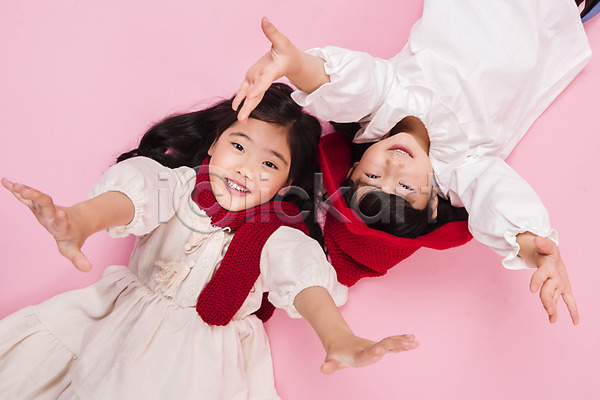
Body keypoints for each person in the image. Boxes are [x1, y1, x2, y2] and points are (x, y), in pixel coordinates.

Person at [0, 83, 418, 400]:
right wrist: (79, 220)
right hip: (116, 322)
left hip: (203, 363)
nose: (246, 169)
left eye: (269, 163)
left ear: (286, 182)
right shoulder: (180, 187)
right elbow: (136, 193)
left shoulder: (276, 232)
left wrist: (336, 337)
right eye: (238, 146)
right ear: (215, 144)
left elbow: (301, 276)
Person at [234, 0, 597, 326]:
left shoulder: (384, 101)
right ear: (434, 202)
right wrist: (535, 250)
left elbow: (353, 82)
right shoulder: (463, 163)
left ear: (353, 169)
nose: (394, 167)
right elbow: (496, 198)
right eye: (406, 187)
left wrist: (296, 64)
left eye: (372, 176)